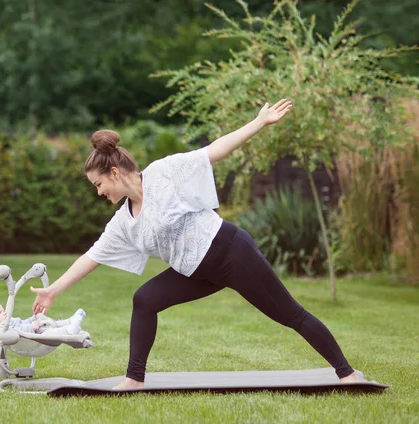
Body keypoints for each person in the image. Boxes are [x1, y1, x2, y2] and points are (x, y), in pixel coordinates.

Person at [31, 99, 364, 390]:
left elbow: (213, 151)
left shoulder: (163, 173)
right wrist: (53, 291)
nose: (99, 192)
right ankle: (134, 378)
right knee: (145, 299)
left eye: (99, 184)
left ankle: (346, 374)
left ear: (115, 172)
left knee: (290, 314)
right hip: (196, 272)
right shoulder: (124, 222)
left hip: (231, 252)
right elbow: (93, 256)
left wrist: (259, 123)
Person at [0, 298, 86, 335]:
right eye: (0, 313)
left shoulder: (7, 321)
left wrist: (33, 318)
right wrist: (31, 327)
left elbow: (22, 322)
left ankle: (69, 321)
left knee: (46, 321)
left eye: (3, 310)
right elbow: (16, 331)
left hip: (34, 329)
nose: (4, 313)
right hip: (33, 333)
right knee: (50, 331)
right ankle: (68, 329)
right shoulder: (2, 329)